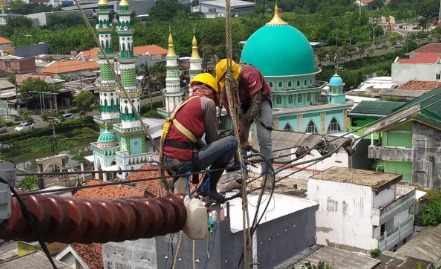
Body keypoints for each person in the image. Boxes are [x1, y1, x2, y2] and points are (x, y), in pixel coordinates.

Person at [162, 73, 238, 202]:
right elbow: (212, 139)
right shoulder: (207, 103)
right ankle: (209, 188)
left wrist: (210, 149)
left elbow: (191, 139)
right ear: (212, 91)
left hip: (169, 161)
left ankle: (203, 186)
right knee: (231, 142)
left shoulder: (185, 102)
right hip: (184, 162)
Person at [215, 59, 274, 187]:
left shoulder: (250, 74)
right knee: (238, 140)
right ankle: (241, 175)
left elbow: (256, 103)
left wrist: (244, 120)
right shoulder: (224, 88)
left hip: (260, 100)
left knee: (264, 137)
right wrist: (242, 138)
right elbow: (232, 111)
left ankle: (268, 174)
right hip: (241, 104)